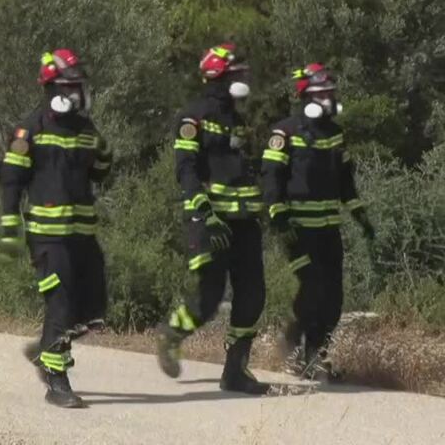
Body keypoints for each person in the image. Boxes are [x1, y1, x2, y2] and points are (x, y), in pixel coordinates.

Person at [0, 48, 113, 409]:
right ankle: (57, 381)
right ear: (56, 88)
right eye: (74, 85)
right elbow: (11, 180)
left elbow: (99, 173)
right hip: (48, 236)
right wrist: (9, 223)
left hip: (82, 233)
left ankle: (44, 347)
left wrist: (105, 154)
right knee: (61, 303)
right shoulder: (30, 129)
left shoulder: (85, 129)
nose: (81, 91)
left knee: (94, 308)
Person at [155, 43, 270, 395]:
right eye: (236, 73)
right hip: (210, 221)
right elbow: (186, 171)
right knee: (210, 296)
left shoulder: (240, 119)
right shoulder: (194, 117)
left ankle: (235, 371)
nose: (243, 78)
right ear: (219, 77)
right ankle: (173, 333)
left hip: (244, 221)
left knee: (253, 295)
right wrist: (205, 212)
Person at [261, 63, 376, 380]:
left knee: (334, 297)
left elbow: (345, 183)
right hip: (297, 231)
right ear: (308, 95)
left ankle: (312, 350)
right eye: (323, 92)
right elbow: (271, 179)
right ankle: (302, 353)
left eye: (331, 91)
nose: (329, 97)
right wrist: (278, 214)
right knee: (312, 290)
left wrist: (361, 215)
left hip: (328, 230)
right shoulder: (284, 133)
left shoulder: (335, 134)